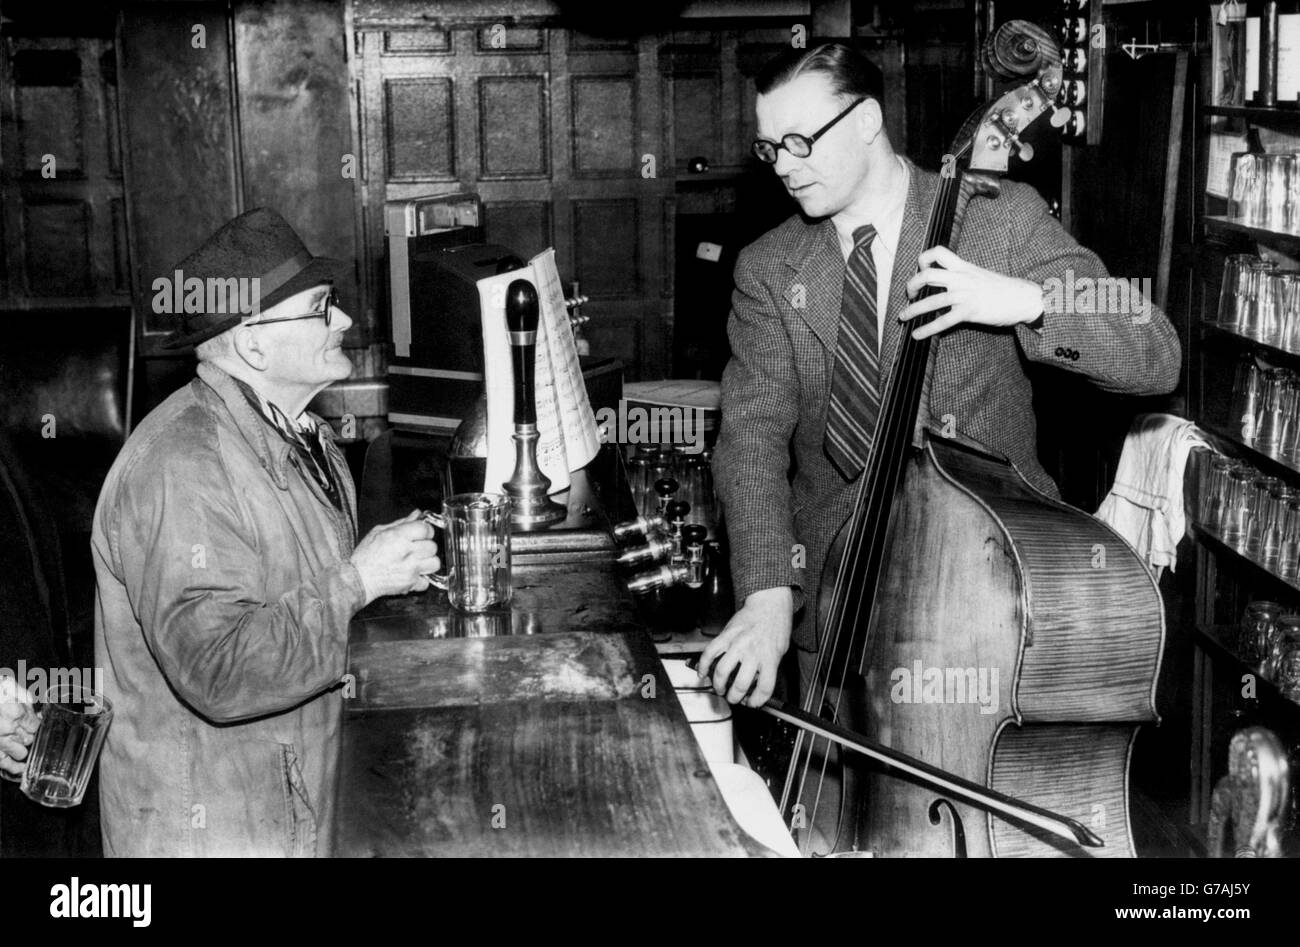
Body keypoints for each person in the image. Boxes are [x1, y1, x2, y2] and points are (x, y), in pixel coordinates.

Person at [699, 43, 1181, 710]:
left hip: (987, 601)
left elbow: (1154, 352)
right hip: (838, 608)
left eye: (801, 141)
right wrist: (767, 593)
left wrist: (1027, 301)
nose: (785, 165)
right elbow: (750, 438)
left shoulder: (999, 218)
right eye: (770, 147)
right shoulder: (769, 267)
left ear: (867, 120)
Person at [92, 208, 440, 856]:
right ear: (253, 343)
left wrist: (383, 576)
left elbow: (302, 598)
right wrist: (360, 580)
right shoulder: (181, 466)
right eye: (321, 307)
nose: (342, 320)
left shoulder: (305, 436)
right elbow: (220, 670)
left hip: (290, 804)